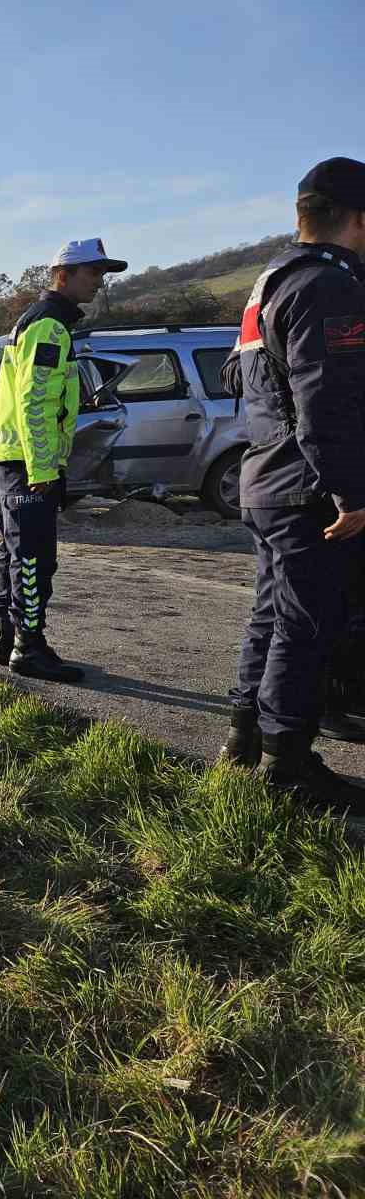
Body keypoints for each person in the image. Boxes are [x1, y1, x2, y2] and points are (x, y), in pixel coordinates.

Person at [219, 157, 365, 808]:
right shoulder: (329, 287)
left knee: (271, 618)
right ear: (359, 220)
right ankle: (288, 768)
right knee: (307, 627)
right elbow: (325, 399)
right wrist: (351, 493)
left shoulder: (267, 283)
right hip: (308, 488)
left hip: (265, 478)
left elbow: (235, 378)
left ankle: (243, 740)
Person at [0, 237, 128, 683]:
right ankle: (29, 649)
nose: (98, 284)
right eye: (92, 274)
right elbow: (36, 401)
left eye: (102, 275)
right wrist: (45, 470)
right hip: (29, 461)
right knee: (33, 557)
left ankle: (10, 639)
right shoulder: (49, 325)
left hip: (15, 457)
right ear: (62, 275)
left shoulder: (39, 320)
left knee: (15, 552)